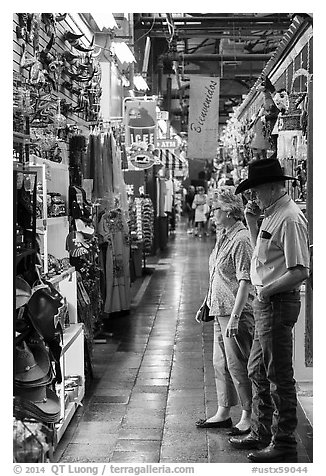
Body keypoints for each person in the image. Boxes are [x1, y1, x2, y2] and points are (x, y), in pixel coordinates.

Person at [229, 157, 310, 463]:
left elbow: (300, 269)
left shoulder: (288, 218)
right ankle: (263, 431)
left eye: (256, 190)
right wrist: (252, 223)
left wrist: (265, 291)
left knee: (278, 374)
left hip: (276, 302)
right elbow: (262, 260)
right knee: (258, 370)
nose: (253, 197)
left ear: (273, 187)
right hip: (267, 301)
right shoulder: (272, 214)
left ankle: (285, 441)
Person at [195, 186, 254, 434]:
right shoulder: (223, 235)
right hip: (219, 310)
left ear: (230, 211)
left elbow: (245, 280)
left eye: (216, 208)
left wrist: (236, 316)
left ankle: (249, 415)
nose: (211, 213)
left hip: (234, 312)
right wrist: (206, 303)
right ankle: (223, 410)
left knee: (238, 366)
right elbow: (217, 275)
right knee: (221, 364)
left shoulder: (241, 239)